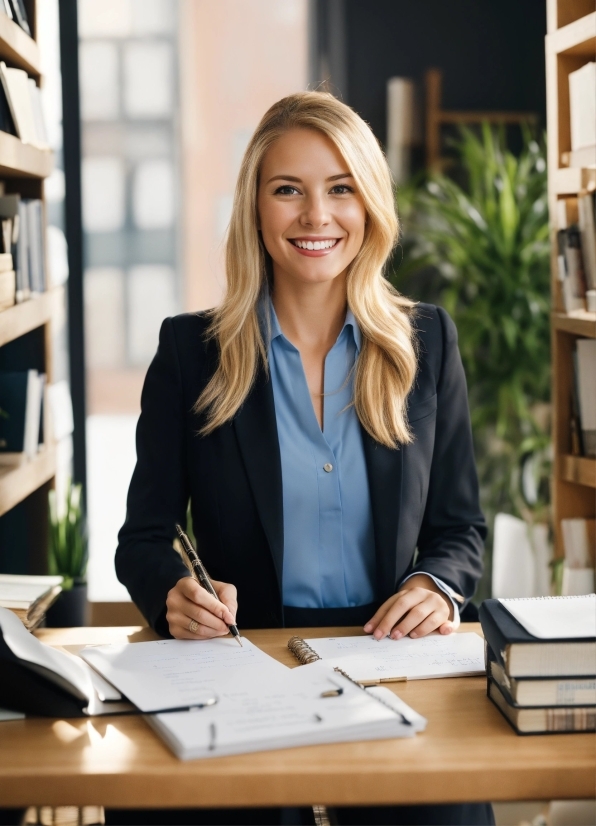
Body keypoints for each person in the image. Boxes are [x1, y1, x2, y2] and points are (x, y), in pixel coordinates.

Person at [115, 91, 494, 826]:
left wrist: (437, 587)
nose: (316, 216)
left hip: (393, 662)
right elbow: (143, 537)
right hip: (241, 662)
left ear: (369, 206)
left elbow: (460, 529)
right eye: (288, 189)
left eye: (340, 188)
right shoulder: (191, 355)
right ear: (255, 207)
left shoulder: (427, 343)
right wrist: (172, 593)